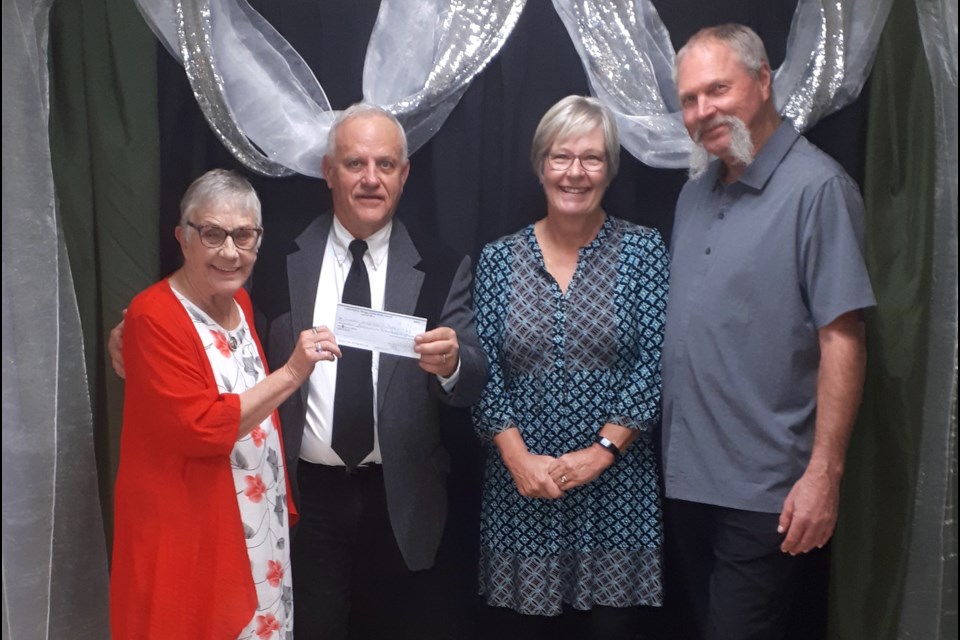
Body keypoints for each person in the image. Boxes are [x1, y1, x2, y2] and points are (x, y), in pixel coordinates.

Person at [661, 24, 875, 639]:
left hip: (766, 496)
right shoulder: (694, 194)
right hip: (687, 480)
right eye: (689, 100)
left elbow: (843, 338)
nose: (703, 112)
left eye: (717, 90)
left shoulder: (819, 189)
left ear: (762, 81)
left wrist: (824, 476)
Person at [253, 103, 488, 639]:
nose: (371, 179)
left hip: (400, 497)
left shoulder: (442, 261)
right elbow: (228, 330)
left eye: (385, 165)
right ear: (328, 173)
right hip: (303, 498)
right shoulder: (277, 257)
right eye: (355, 164)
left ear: (404, 176)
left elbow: (472, 377)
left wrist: (453, 363)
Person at [110, 169, 340, 638]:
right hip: (194, 532)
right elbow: (202, 427)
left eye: (243, 236)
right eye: (213, 234)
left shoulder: (239, 305)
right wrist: (293, 372)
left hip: (255, 526)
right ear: (183, 237)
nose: (230, 252)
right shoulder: (153, 315)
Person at [472, 95, 669, 640]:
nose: (575, 173)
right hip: (523, 492)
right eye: (561, 157)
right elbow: (480, 372)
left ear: (610, 169)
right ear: (541, 165)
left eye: (592, 158)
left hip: (617, 492)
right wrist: (519, 460)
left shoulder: (643, 250)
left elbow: (654, 364)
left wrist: (601, 452)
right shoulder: (499, 258)